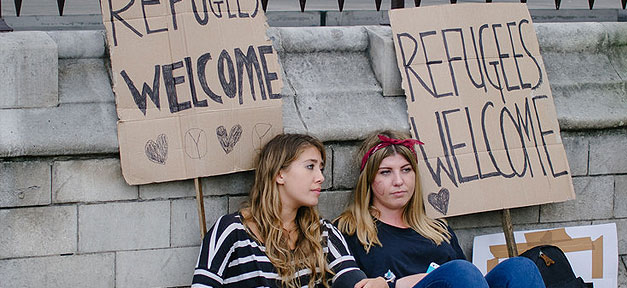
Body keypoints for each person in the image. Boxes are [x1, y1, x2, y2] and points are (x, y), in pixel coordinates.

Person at [335, 130, 545, 288]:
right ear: (369, 180)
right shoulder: (349, 229)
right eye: (386, 172)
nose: (399, 181)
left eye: (406, 170)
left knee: (520, 267)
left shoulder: (436, 226)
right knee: (459, 272)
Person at [192, 133, 387, 288]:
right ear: (279, 174)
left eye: (321, 168)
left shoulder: (322, 232)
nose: (320, 177)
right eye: (310, 166)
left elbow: (349, 277)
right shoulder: (232, 231)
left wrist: (372, 284)